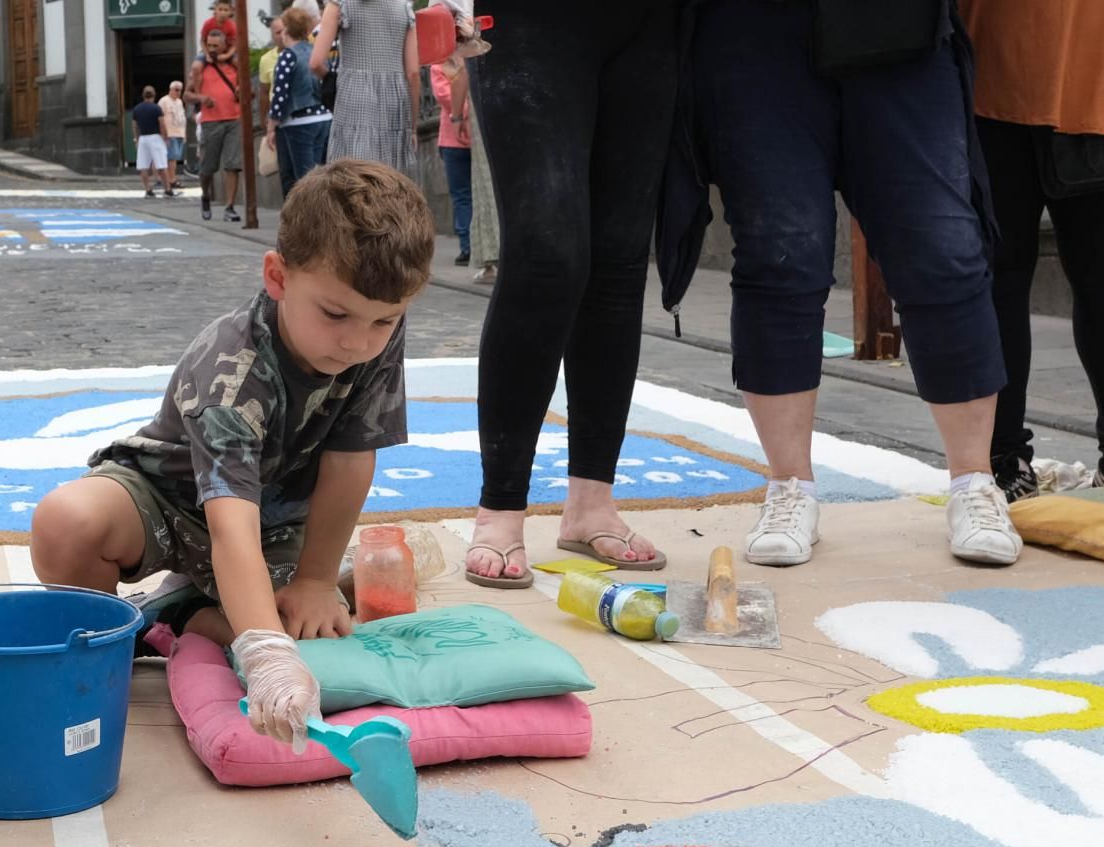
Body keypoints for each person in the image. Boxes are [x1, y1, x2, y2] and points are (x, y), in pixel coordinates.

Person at [29, 159, 435, 749]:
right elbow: (227, 523)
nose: (357, 341)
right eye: (335, 314)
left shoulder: (372, 332)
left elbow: (350, 457)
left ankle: (177, 616)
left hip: (273, 523)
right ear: (278, 276)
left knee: (321, 618)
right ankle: (115, 636)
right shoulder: (231, 368)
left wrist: (319, 579)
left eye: (384, 321)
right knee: (67, 523)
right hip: (171, 504)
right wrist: (266, 654)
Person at [677, 0, 1021, 566]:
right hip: (750, 30)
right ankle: (789, 487)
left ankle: (974, 483)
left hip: (899, 27)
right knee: (778, 254)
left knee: (942, 249)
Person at [463, 1, 678, 588]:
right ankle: (500, 506)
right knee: (544, 255)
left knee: (619, 261)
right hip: (531, 15)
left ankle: (591, 501)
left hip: (651, 19)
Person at [958, 0, 1104, 500]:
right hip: (990, 76)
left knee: (1096, 280)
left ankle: (1002, 458)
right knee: (997, 281)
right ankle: (1001, 456)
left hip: (1090, 78)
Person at [310, 0, 419, 178]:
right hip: (395, 101)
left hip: (353, 97)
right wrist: (412, 127)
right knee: (392, 180)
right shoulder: (404, 7)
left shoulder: (339, 4)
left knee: (351, 176)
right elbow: (413, 74)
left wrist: (330, 79)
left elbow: (315, 62)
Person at [268, 7, 332, 196]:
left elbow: (280, 94)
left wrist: (272, 125)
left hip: (299, 120)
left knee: (304, 180)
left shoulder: (288, 55)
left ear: (286, 29)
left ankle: (309, 221)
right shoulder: (315, 51)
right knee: (323, 174)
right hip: (323, 117)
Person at [186, 29, 245, 222]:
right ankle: (205, 196)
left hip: (234, 119)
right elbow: (187, 95)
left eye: (215, 46)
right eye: (209, 46)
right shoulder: (200, 68)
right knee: (207, 167)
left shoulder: (234, 65)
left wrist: (240, 91)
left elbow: (249, 91)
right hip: (211, 122)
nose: (211, 50)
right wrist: (201, 97)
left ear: (224, 46)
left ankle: (229, 207)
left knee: (232, 164)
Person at [430, 54, 472, 266]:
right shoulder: (474, 58)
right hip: (472, 137)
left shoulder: (439, 64)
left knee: (461, 196)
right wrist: (472, 113)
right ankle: (474, 245)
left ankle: (467, 247)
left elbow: (444, 96)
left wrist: (461, 114)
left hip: (452, 138)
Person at [468, 103, 498, 285]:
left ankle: (492, 261)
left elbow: (459, 78)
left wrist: (456, 116)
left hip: (485, 116)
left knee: (487, 188)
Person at [132, 86, 176, 198]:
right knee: (161, 164)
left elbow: (134, 126)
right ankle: (167, 189)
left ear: (143, 95)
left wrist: (136, 139)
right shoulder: (156, 108)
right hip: (155, 137)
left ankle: (148, 189)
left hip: (143, 138)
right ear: (154, 95)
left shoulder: (137, 109)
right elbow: (162, 124)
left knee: (143, 165)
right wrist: (165, 137)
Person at [158, 81, 188, 191]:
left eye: (180, 90)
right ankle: (171, 180)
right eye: (176, 89)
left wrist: (185, 134)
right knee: (172, 158)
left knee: (175, 158)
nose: (178, 92)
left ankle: (171, 178)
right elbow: (159, 118)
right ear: (170, 89)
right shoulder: (164, 101)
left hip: (180, 132)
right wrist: (163, 133)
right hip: (170, 133)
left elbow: (183, 118)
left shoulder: (180, 102)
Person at [259, 15, 287, 124]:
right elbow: (264, 92)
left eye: (284, 31)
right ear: (272, 36)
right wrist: (263, 118)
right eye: (278, 32)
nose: (282, 35)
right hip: (276, 113)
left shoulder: (302, 53)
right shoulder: (265, 59)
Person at [200, 0, 239, 65]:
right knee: (196, 66)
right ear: (215, 10)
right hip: (209, 52)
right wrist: (207, 54)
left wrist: (227, 55)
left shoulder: (232, 26)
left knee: (238, 63)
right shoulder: (208, 24)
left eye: (226, 10)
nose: (222, 12)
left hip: (226, 52)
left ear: (230, 12)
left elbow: (234, 45)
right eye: (220, 9)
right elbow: (202, 41)